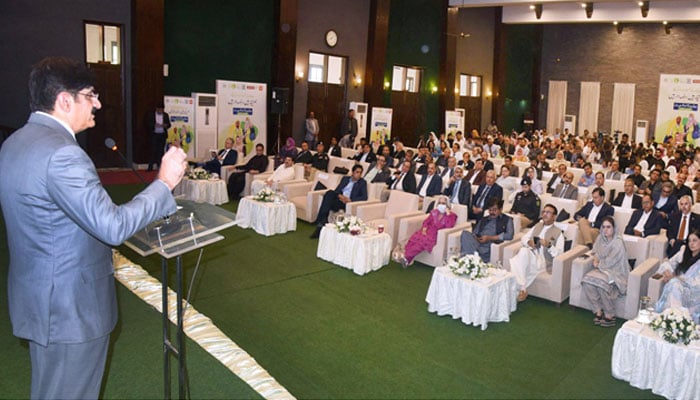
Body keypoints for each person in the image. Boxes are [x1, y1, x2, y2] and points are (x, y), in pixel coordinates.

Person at [0, 57, 187, 399]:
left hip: (39, 300)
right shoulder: (62, 154)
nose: (98, 103)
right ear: (65, 100)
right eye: (90, 94)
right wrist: (163, 183)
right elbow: (112, 227)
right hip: (70, 310)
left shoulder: (15, 143)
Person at [509, 204, 565, 302]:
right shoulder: (538, 225)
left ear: (554, 216)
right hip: (531, 254)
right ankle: (522, 289)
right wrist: (528, 242)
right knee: (523, 253)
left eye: (548, 212)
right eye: (544, 212)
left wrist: (549, 246)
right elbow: (524, 237)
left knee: (519, 259)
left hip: (543, 260)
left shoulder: (558, 233)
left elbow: (560, 254)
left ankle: (518, 289)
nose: (545, 214)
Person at [581, 216, 629, 327]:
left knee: (601, 284)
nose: (605, 230)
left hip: (616, 271)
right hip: (602, 269)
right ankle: (598, 310)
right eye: (603, 227)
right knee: (587, 281)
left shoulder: (618, 242)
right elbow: (595, 252)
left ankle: (610, 314)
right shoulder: (600, 238)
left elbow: (613, 260)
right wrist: (596, 257)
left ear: (614, 228)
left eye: (608, 227)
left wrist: (598, 263)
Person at [397, 195, 458, 267]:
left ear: (447, 205)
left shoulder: (452, 215)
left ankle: (406, 256)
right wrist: (424, 228)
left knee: (423, 242)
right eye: (440, 203)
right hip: (428, 230)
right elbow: (426, 221)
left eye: (443, 203)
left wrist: (448, 214)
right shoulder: (434, 212)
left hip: (436, 234)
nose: (441, 205)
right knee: (415, 238)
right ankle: (407, 258)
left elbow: (449, 226)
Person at [311, 164, 368, 238]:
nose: (359, 174)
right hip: (339, 199)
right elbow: (337, 190)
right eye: (357, 172)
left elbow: (364, 197)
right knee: (329, 193)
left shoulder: (362, 183)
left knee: (327, 200)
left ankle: (321, 222)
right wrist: (339, 196)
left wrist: (350, 200)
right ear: (352, 172)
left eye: (360, 173)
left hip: (346, 203)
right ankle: (323, 220)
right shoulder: (345, 179)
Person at [655, 229, 700, 323]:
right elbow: (667, 263)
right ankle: (672, 317)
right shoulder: (684, 252)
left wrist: (676, 278)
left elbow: (696, 283)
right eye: (689, 241)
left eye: (695, 240)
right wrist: (668, 272)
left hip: (694, 293)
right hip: (678, 287)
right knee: (674, 283)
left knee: (674, 283)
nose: (691, 243)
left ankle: (676, 319)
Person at [460, 198, 514, 262]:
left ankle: (469, 259)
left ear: (500, 209)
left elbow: (509, 235)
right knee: (465, 233)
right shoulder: (484, 219)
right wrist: (477, 238)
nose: (492, 212)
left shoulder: (507, 220)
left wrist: (490, 238)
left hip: (490, 244)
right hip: (478, 243)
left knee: (467, 252)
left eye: (494, 210)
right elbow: (475, 232)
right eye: (490, 210)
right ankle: (473, 258)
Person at [145, 102, 172, 171]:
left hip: (162, 135)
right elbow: (147, 123)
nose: (160, 111)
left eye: (162, 110)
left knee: (161, 151)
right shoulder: (151, 115)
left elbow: (169, 124)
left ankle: (159, 166)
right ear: (156, 109)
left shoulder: (165, 115)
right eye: (159, 110)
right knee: (153, 150)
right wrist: (154, 125)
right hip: (154, 135)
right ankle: (150, 167)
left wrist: (165, 125)